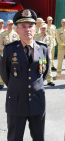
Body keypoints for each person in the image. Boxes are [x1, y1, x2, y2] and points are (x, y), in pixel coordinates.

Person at [0, 9, 50, 141]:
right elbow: (5, 74)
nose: (27, 29)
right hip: (16, 102)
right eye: (23, 26)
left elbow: (43, 74)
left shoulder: (43, 48)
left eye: (30, 26)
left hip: (37, 101)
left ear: (35, 29)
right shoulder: (9, 49)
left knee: (39, 137)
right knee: (15, 138)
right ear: (17, 30)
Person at [0, 20, 20, 89]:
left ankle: (13, 82)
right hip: (5, 54)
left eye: (12, 24)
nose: (11, 26)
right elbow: (0, 44)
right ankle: (1, 83)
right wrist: (6, 50)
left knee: (14, 68)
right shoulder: (3, 34)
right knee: (3, 68)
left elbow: (19, 44)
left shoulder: (16, 34)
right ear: (7, 25)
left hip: (14, 54)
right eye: (9, 24)